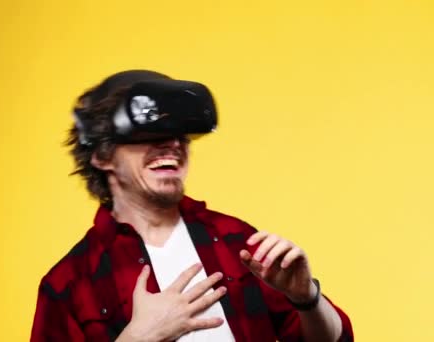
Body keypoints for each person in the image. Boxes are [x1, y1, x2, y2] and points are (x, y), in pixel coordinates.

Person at [31, 70, 354, 342]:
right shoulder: (70, 283)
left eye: (180, 136)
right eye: (150, 133)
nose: (172, 145)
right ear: (102, 156)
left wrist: (307, 299)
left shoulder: (236, 241)